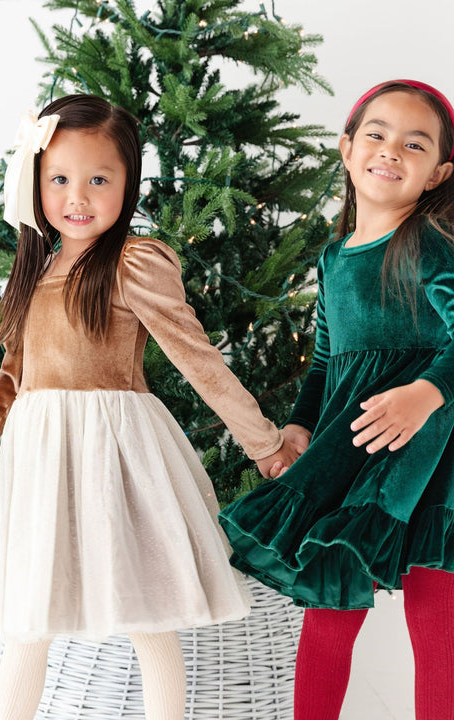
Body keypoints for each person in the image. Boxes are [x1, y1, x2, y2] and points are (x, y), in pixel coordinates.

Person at [0, 93, 299, 720]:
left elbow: (198, 359)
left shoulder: (135, 263)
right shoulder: (36, 272)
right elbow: (14, 379)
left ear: (128, 183)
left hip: (112, 458)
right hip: (41, 464)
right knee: (27, 621)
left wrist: (262, 442)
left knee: (144, 614)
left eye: (99, 179)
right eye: (60, 179)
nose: (78, 197)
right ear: (36, 182)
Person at [218, 80, 454, 720]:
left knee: (436, 615)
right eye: (376, 135)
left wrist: (425, 394)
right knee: (330, 604)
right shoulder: (332, 257)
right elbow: (326, 360)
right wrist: (298, 428)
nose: (391, 151)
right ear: (347, 150)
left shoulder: (431, 247)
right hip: (353, 449)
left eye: (415, 143)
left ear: (439, 173)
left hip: (431, 453)